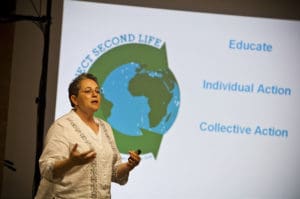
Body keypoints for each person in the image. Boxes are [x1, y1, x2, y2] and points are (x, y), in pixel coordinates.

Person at [35, 73, 141, 199]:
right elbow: (47, 169)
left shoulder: (106, 127)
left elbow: (112, 172)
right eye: (88, 91)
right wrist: (70, 162)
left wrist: (128, 166)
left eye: (97, 91)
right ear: (74, 99)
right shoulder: (62, 127)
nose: (95, 94)